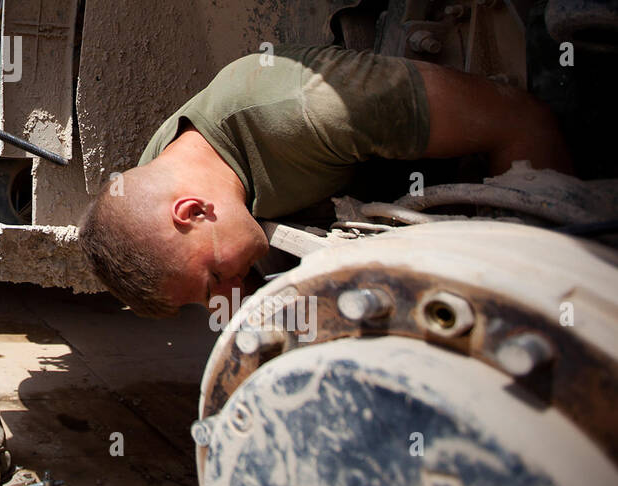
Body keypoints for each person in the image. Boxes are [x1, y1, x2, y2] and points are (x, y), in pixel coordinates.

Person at [77, 44, 572, 318]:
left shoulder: (312, 110)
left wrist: (550, 302)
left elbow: (521, 121)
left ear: (193, 211)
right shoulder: (157, 180)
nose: (226, 299)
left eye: (215, 282)